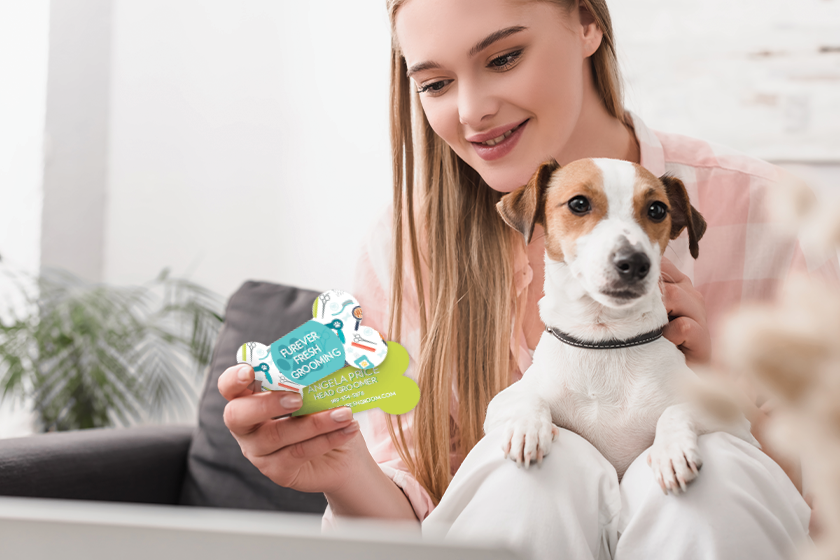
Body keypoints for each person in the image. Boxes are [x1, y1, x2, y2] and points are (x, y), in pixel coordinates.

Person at [218, 1, 839, 558]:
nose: (471, 111)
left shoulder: (768, 217)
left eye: (505, 56)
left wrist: (721, 404)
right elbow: (409, 530)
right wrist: (340, 469)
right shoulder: (405, 250)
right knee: (532, 473)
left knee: (711, 474)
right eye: (434, 83)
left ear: (588, 23)